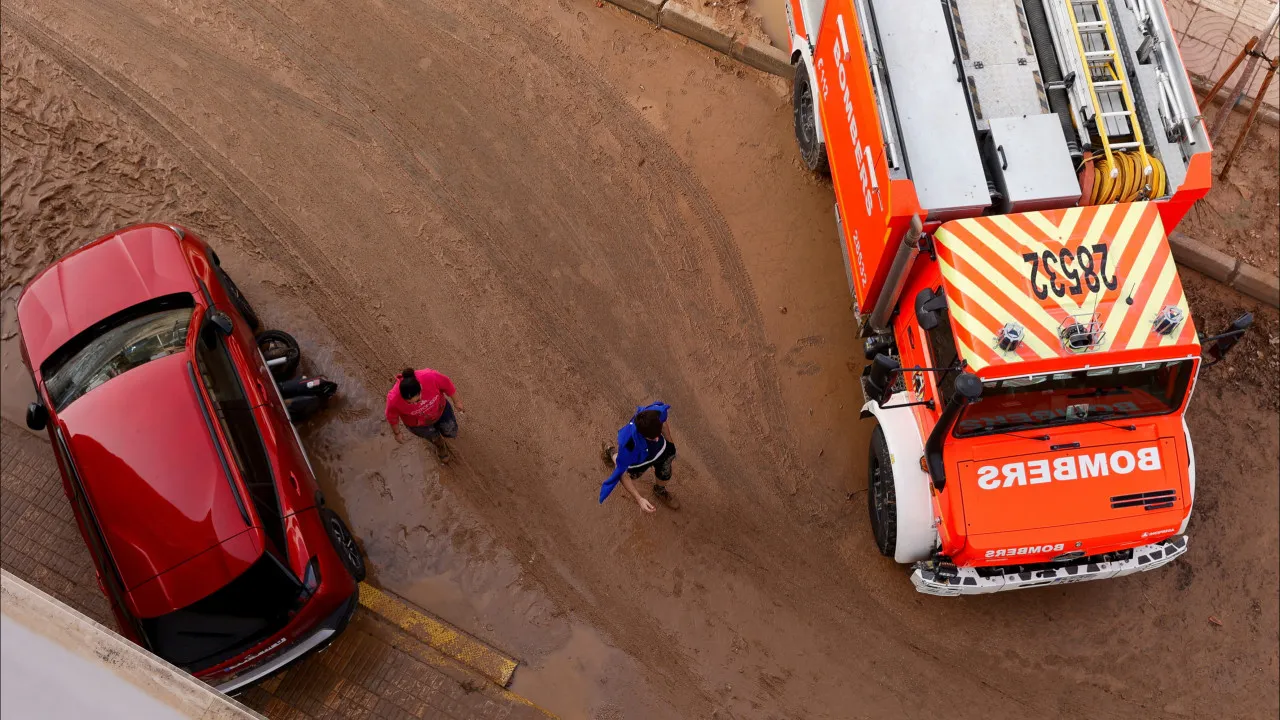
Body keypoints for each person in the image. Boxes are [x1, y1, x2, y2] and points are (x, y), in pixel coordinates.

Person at [599, 401, 679, 512]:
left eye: (658, 434)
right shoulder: (629, 445)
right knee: (627, 470)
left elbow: (663, 422)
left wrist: (670, 445)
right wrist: (639, 499)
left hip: (660, 452)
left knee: (665, 473)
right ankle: (611, 451)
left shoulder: (654, 413)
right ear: (642, 435)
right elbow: (621, 474)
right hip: (639, 460)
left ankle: (659, 490)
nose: (657, 439)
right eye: (652, 438)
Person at [386, 367, 462, 462]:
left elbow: (447, 384)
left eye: (418, 400)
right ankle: (440, 446)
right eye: (409, 403)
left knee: (451, 431)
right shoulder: (393, 399)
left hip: (440, 410)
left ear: (421, 388)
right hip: (419, 425)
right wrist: (397, 433)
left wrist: (457, 401)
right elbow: (392, 417)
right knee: (434, 438)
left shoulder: (430, 377)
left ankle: (445, 434)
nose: (415, 404)